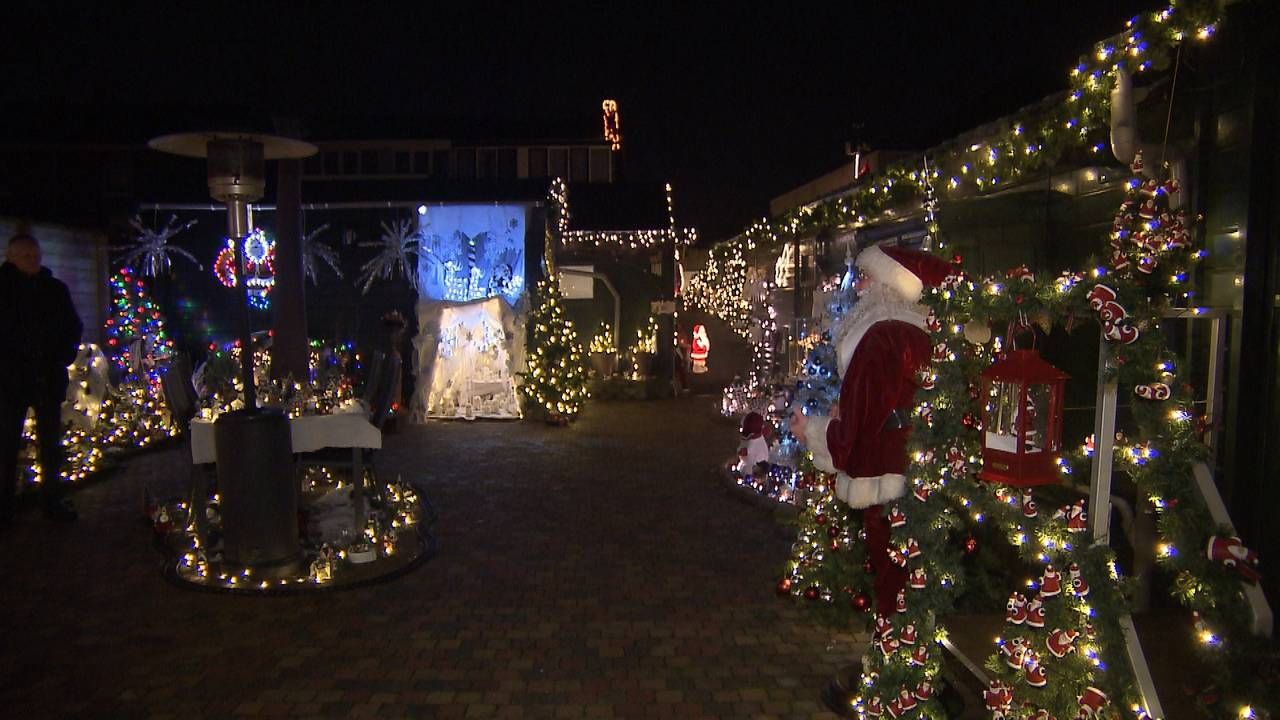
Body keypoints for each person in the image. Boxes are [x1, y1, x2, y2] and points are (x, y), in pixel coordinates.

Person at [789, 244, 950, 616]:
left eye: (866, 277)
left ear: (887, 284)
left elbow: (858, 428)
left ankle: (894, 662)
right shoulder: (920, 335)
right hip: (919, 469)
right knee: (918, 581)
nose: (857, 287)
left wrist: (812, 430)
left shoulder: (877, 338)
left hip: (884, 471)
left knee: (891, 578)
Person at [0, 233, 83, 526]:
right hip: (11, 380)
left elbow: (73, 326)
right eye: (26, 256)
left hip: (47, 377)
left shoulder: (54, 290)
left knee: (50, 445)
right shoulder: (5, 291)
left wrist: (62, 355)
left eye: (35, 256)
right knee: (7, 445)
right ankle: (5, 508)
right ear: (11, 258)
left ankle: (52, 501)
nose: (33, 261)